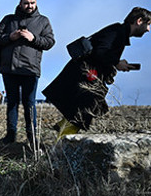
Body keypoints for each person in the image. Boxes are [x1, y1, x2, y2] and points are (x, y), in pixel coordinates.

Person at [43, 7, 151, 140]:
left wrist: (117, 63)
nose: (148, 29)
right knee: (83, 113)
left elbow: (102, 52)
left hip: (86, 76)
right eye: (148, 24)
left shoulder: (118, 31)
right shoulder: (117, 31)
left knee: (81, 113)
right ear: (139, 21)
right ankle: (61, 143)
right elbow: (100, 52)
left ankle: (61, 134)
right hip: (85, 76)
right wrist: (117, 62)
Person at [0, 0, 55, 145]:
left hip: (30, 70)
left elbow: (50, 42)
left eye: (32, 3)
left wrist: (33, 38)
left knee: (29, 104)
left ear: (36, 3)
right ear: (20, 3)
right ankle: (10, 135)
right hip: (9, 69)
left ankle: (32, 137)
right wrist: (9, 37)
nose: (29, 6)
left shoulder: (43, 21)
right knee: (11, 103)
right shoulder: (8, 19)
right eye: (26, 3)